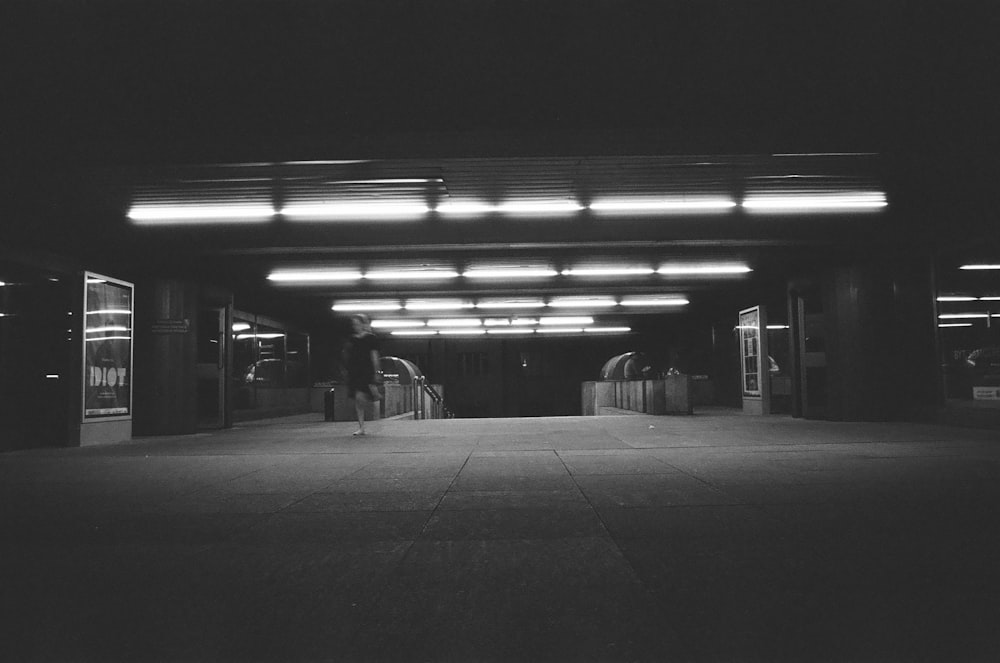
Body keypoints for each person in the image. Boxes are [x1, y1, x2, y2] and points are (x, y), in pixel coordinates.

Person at [344, 313, 381, 436]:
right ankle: (361, 427)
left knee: (360, 396)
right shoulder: (352, 339)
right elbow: (348, 354)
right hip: (354, 370)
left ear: (363, 324)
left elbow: (374, 355)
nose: (355, 326)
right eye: (353, 324)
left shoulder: (371, 338)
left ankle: (372, 392)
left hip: (366, 369)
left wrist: (376, 371)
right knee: (357, 399)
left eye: (357, 324)